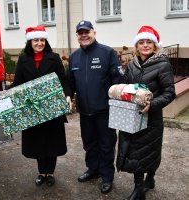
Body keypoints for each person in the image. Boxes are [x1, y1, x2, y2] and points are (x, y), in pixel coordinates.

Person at [116, 26, 176, 200]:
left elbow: (169, 93)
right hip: (133, 116)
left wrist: (153, 104)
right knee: (135, 151)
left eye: (149, 42)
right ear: (137, 45)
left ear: (155, 45)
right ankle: (139, 187)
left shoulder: (163, 64)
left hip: (152, 118)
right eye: (141, 42)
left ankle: (148, 180)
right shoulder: (132, 64)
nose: (145, 45)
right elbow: (127, 87)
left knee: (149, 151)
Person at [10, 25, 72, 186]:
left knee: (52, 142)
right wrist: (2, 94)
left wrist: (67, 95)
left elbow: (63, 80)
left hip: (52, 108)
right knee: (37, 143)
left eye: (42, 40)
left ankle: (50, 172)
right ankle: (41, 172)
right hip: (33, 109)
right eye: (36, 40)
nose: (39, 43)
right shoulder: (23, 60)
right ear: (30, 42)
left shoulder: (54, 57)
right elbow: (17, 84)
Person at [68, 20, 124, 194]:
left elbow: (119, 82)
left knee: (106, 145)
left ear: (94, 32)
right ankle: (93, 170)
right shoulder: (74, 57)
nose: (84, 35)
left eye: (87, 32)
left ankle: (107, 177)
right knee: (89, 144)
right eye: (80, 33)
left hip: (105, 111)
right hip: (85, 112)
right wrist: (68, 95)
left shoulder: (107, 53)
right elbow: (69, 82)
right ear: (77, 36)